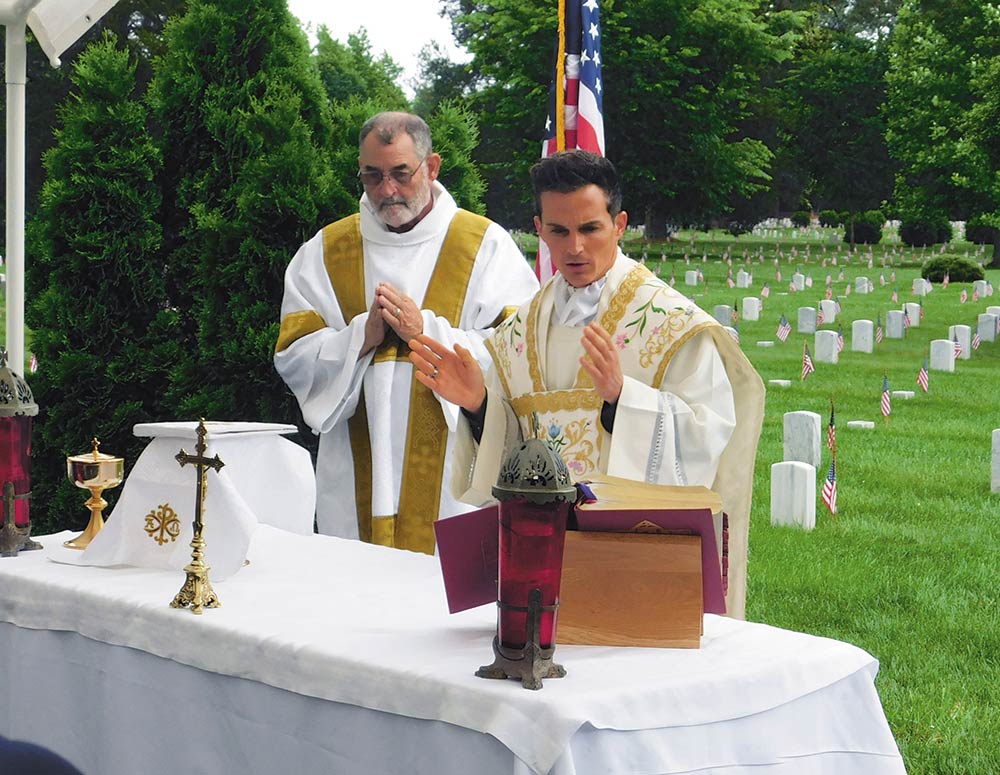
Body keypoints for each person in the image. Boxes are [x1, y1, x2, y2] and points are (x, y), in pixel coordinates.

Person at [408, 150, 764, 618]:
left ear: (619, 224)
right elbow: (518, 449)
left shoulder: (671, 324)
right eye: (559, 231)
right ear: (539, 228)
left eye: (590, 229)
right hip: (543, 566)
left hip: (637, 567)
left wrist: (624, 400)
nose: (574, 248)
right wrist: (478, 405)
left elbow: (709, 434)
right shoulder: (519, 333)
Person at [274, 112, 538, 553]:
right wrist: (362, 335)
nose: (387, 190)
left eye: (400, 173)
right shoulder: (325, 250)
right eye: (372, 176)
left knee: (440, 603)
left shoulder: (484, 246)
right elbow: (294, 355)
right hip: (355, 466)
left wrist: (424, 332)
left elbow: (518, 351)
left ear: (431, 167)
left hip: (454, 474)